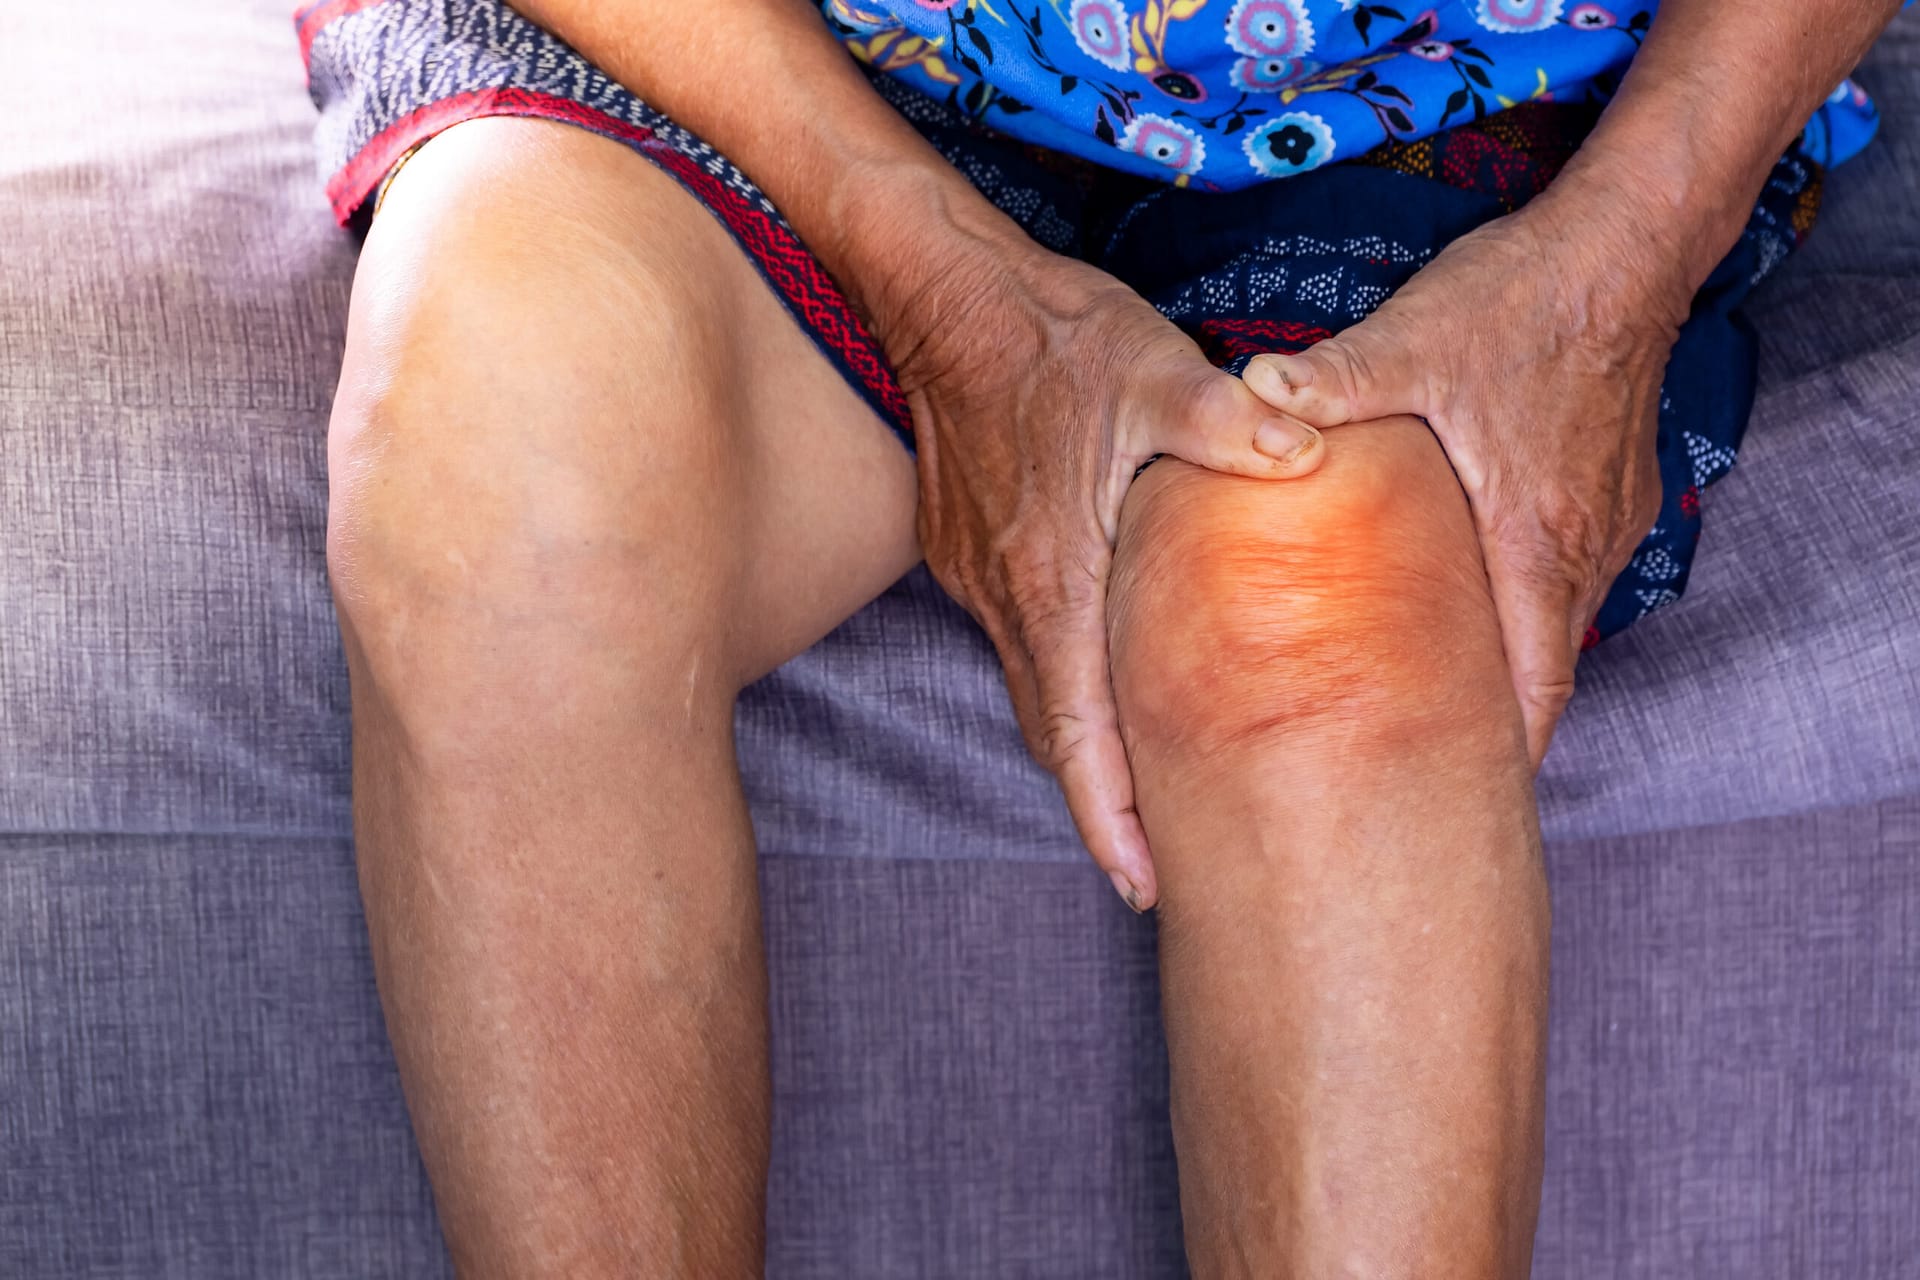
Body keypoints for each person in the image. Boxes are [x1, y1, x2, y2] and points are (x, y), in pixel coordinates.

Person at [299, 0, 1904, 1273]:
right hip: (753, 53)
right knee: (497, 486)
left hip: (1461, 67)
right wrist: (937, 282)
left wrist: (1620, 262)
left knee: (1322, 616)